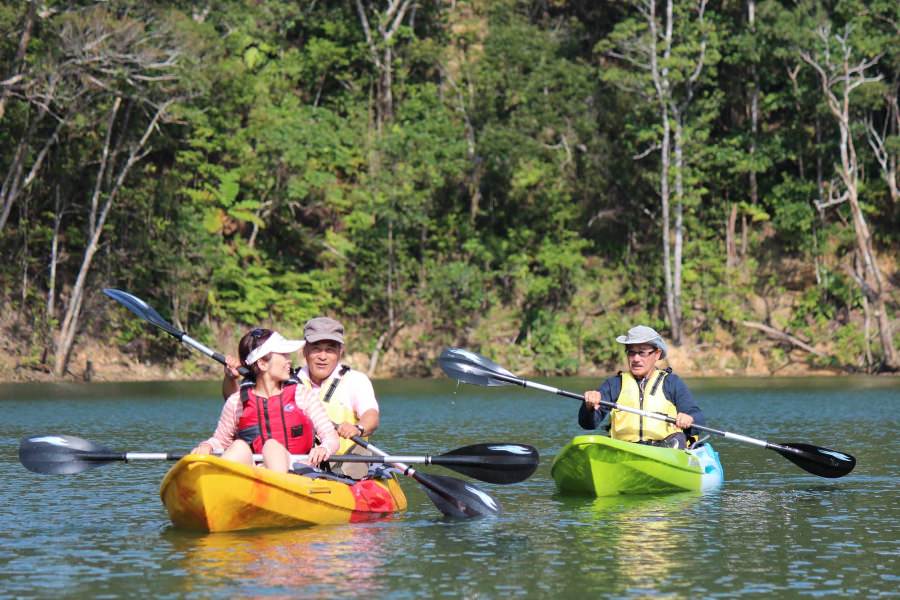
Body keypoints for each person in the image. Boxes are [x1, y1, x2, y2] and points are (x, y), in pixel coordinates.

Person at [222, 316, 380, 479]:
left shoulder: (356, 380)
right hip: (297, 461)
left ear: (341, 351)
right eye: (316, 348)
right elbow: (240, 405)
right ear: (304, 350)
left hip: (343, 461)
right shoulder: (287, 377)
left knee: (355, 457)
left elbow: (371, 416)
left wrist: (358, 428)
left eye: (330, 349)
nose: (323, 356)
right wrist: (230, 378)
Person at [193, 328, 339, 472]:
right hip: (255, 473)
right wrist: (208, 446)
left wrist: (324, 448)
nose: (289, 360)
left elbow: (330, 437)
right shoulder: (236, 401)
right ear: (262, 364)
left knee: (271, 447)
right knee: (238, 447)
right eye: (283, 355)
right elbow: (220, 441)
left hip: (298, 472)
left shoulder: (302, 395)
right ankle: (224, 485)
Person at [580, 325, 704, 449]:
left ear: (657, 354)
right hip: (624, 450)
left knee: (679, 439)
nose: (636, 359)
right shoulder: (614, 384)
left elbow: (697, 416)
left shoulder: (671, 383)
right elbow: (588, 424)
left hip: (665, 450)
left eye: (642, 353)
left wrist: (689, 418)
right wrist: (589, 407)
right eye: (631, 353)